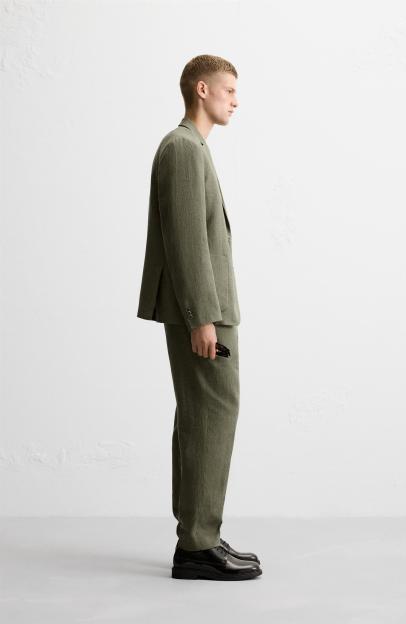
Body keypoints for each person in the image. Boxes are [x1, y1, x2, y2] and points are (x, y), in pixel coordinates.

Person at [136, 54, 262, 581]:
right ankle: (197, 545)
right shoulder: (184, 149)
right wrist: (201, 318)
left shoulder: (192, 148)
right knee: (212, 414)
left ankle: (198, 533)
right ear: (202, 89)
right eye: (229, 90)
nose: (236, 100)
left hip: (209, 308)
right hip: (205, 312)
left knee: (200, 415)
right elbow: (186, 242)